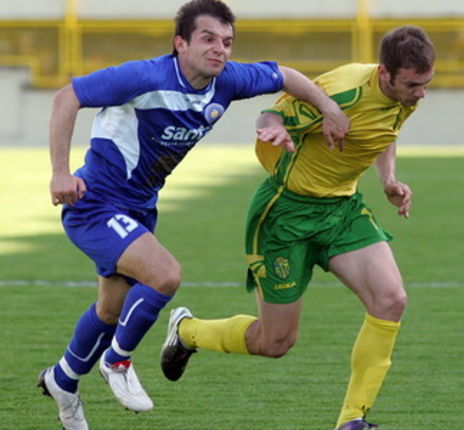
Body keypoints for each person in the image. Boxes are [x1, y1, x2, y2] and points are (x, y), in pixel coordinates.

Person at [38, 1, 350, 429]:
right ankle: (118, 362)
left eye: (227, 42)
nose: (219, 49)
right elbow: (66, 97)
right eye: (208, 39)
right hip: (95, 204)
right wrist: (59, 172)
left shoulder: (227, 80)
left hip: (140, 206)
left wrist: (330, 108)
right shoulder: (146, 76)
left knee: (111, 312)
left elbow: (286, 75)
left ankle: (63, 380)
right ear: (180, 43)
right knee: (165, 275)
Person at [159, 25, 435, 430]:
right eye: (413, 84)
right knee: (275, 343)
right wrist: (275, 128)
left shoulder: (405, 94)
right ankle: (188, 331)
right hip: (285, 215)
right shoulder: (343, 91)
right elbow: (272, 111)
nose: (422, 93)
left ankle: (351, 420)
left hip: (341, 210)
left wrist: (388, 180)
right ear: (384, 73)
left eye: (427, 83)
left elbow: (382, 131)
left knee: (391, 300)